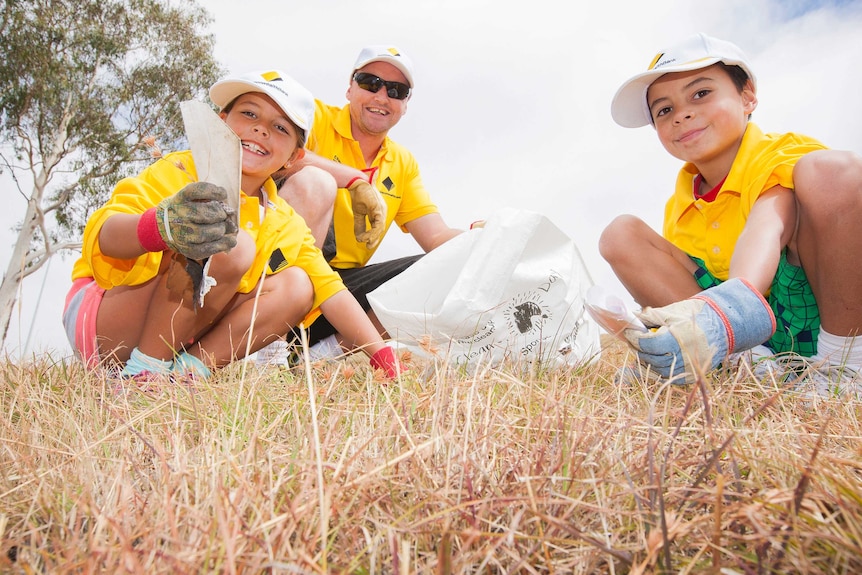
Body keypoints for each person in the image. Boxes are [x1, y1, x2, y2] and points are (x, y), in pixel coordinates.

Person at [63, 69, 401, 380]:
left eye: (281, 127)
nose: (261, 129)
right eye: (249, 114)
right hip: (105, 323)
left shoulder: (282, 219)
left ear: (294, 159)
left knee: (299, 284)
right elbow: (106, 237)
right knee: (233, 243)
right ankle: (143, 374)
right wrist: (163, 223)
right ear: (221, 122)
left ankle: (186, 374)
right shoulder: (179, 171)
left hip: (181, 334)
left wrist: (381, 355)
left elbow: (331, 290)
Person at [599, 33, 862, 394]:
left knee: (831, 171)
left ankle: (846, 367)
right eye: (664, 110)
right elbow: (686, 281)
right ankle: (744, 366)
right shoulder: (680, 205)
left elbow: (770, 222)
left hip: (818, 313)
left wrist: (732, 308)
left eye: (700, 93)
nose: (683, 114)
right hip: (750, 340)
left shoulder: (778, 152)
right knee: (620, 234)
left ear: (747, 95)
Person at [261, 45, 463, 362]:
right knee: (317, 182)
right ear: (350, 87)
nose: (382, 97)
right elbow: (277, 150)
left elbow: (436, 238)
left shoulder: (402, 162)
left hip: (337, 291)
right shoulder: (312, 117)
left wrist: (482, 238)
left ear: (405, 104)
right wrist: (353, 178)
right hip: (272, 282)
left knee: (443, 266)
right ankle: (266, 340)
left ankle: (319, 357)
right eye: (371, 82)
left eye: (396, 90)